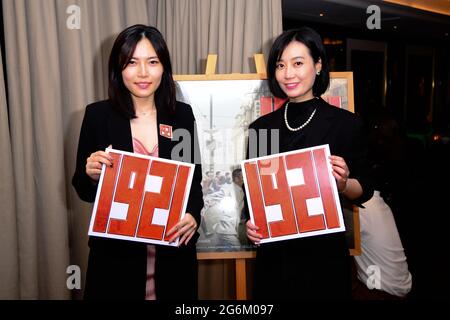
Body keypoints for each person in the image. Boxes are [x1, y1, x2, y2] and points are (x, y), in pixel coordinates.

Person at [72, 24, 203, 300]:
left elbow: (193, 180)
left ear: (164, 68)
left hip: (172, 253)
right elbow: (82, 188)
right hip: (116, 259)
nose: (143, 72)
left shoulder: (181, 116)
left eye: (152, 62)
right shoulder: (98, 116)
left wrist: (192, 215)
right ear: (119, 69)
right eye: (132, 62)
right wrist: (92, 173)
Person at [244, 27, 373, 300]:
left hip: (323, 260)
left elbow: (365, 188)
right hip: (274, 262)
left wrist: (343, 183)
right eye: (280, 65)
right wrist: (249, 224)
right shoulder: (261, 129)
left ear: (318, 65)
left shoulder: (345, 124)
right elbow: (252, 199)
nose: (288, 73)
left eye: (298, 63)